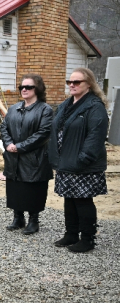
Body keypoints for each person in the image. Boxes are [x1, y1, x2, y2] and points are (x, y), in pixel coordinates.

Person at [49, 67, 108, 253]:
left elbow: (95, 137)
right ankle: (71, 234)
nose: (72, 85)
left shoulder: (94, 107)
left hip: (83, 164)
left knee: (83, 200)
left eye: (77, 82)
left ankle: (88, 239)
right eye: (70, 82)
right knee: (69, 199)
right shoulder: (67, 104)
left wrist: (82, 159)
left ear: (88, 84)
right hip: (66, 162)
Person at [0, 74, 53, 235]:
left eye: (28, 87)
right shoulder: (13, 108)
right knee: (15, 187)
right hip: (13, 157)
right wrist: (9, 144)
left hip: (34, 157)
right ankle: (18, 218)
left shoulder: (45, 109)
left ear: (37, 89)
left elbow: (43, 133)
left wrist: (20, 146)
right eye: (22, 87)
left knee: (33, 188)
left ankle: (33, 220)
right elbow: (4, 128)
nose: (24, 89)